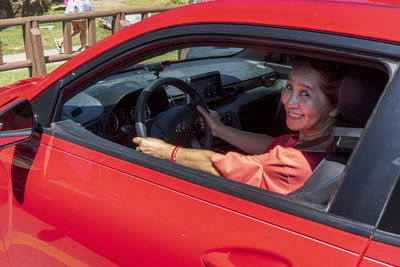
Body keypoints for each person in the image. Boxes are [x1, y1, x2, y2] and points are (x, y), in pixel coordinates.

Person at [133, 56, 347, 194]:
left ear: (334, 107)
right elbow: (270, 145)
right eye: (289, 86)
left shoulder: (292, 164)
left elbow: (217, 165)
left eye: (305, 94)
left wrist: (166, 151)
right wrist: (220, 130)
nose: (289, 102)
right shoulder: (324, 141)